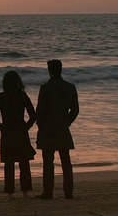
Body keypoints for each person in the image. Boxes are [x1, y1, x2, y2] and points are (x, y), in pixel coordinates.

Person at [35, 59, 79, 199]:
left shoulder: (45, 88)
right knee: (65, 160)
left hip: (48, 128)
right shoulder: (70, 87)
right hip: (62, 127)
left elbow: (40, 111)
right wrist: (67, 122)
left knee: (48, 162)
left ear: (50, 71)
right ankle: (68, 192)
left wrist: (41, 125)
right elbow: (75, 110)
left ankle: (48, 192)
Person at [0, 70, 37, 200]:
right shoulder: (22, 96)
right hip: (21, 130)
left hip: (7, 131)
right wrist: (26, 127)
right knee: (24, 163)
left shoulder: (0, 97)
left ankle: (9, 193)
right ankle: (25, 192)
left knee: (9, 164)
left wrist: (2, 129)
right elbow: (33, 115)